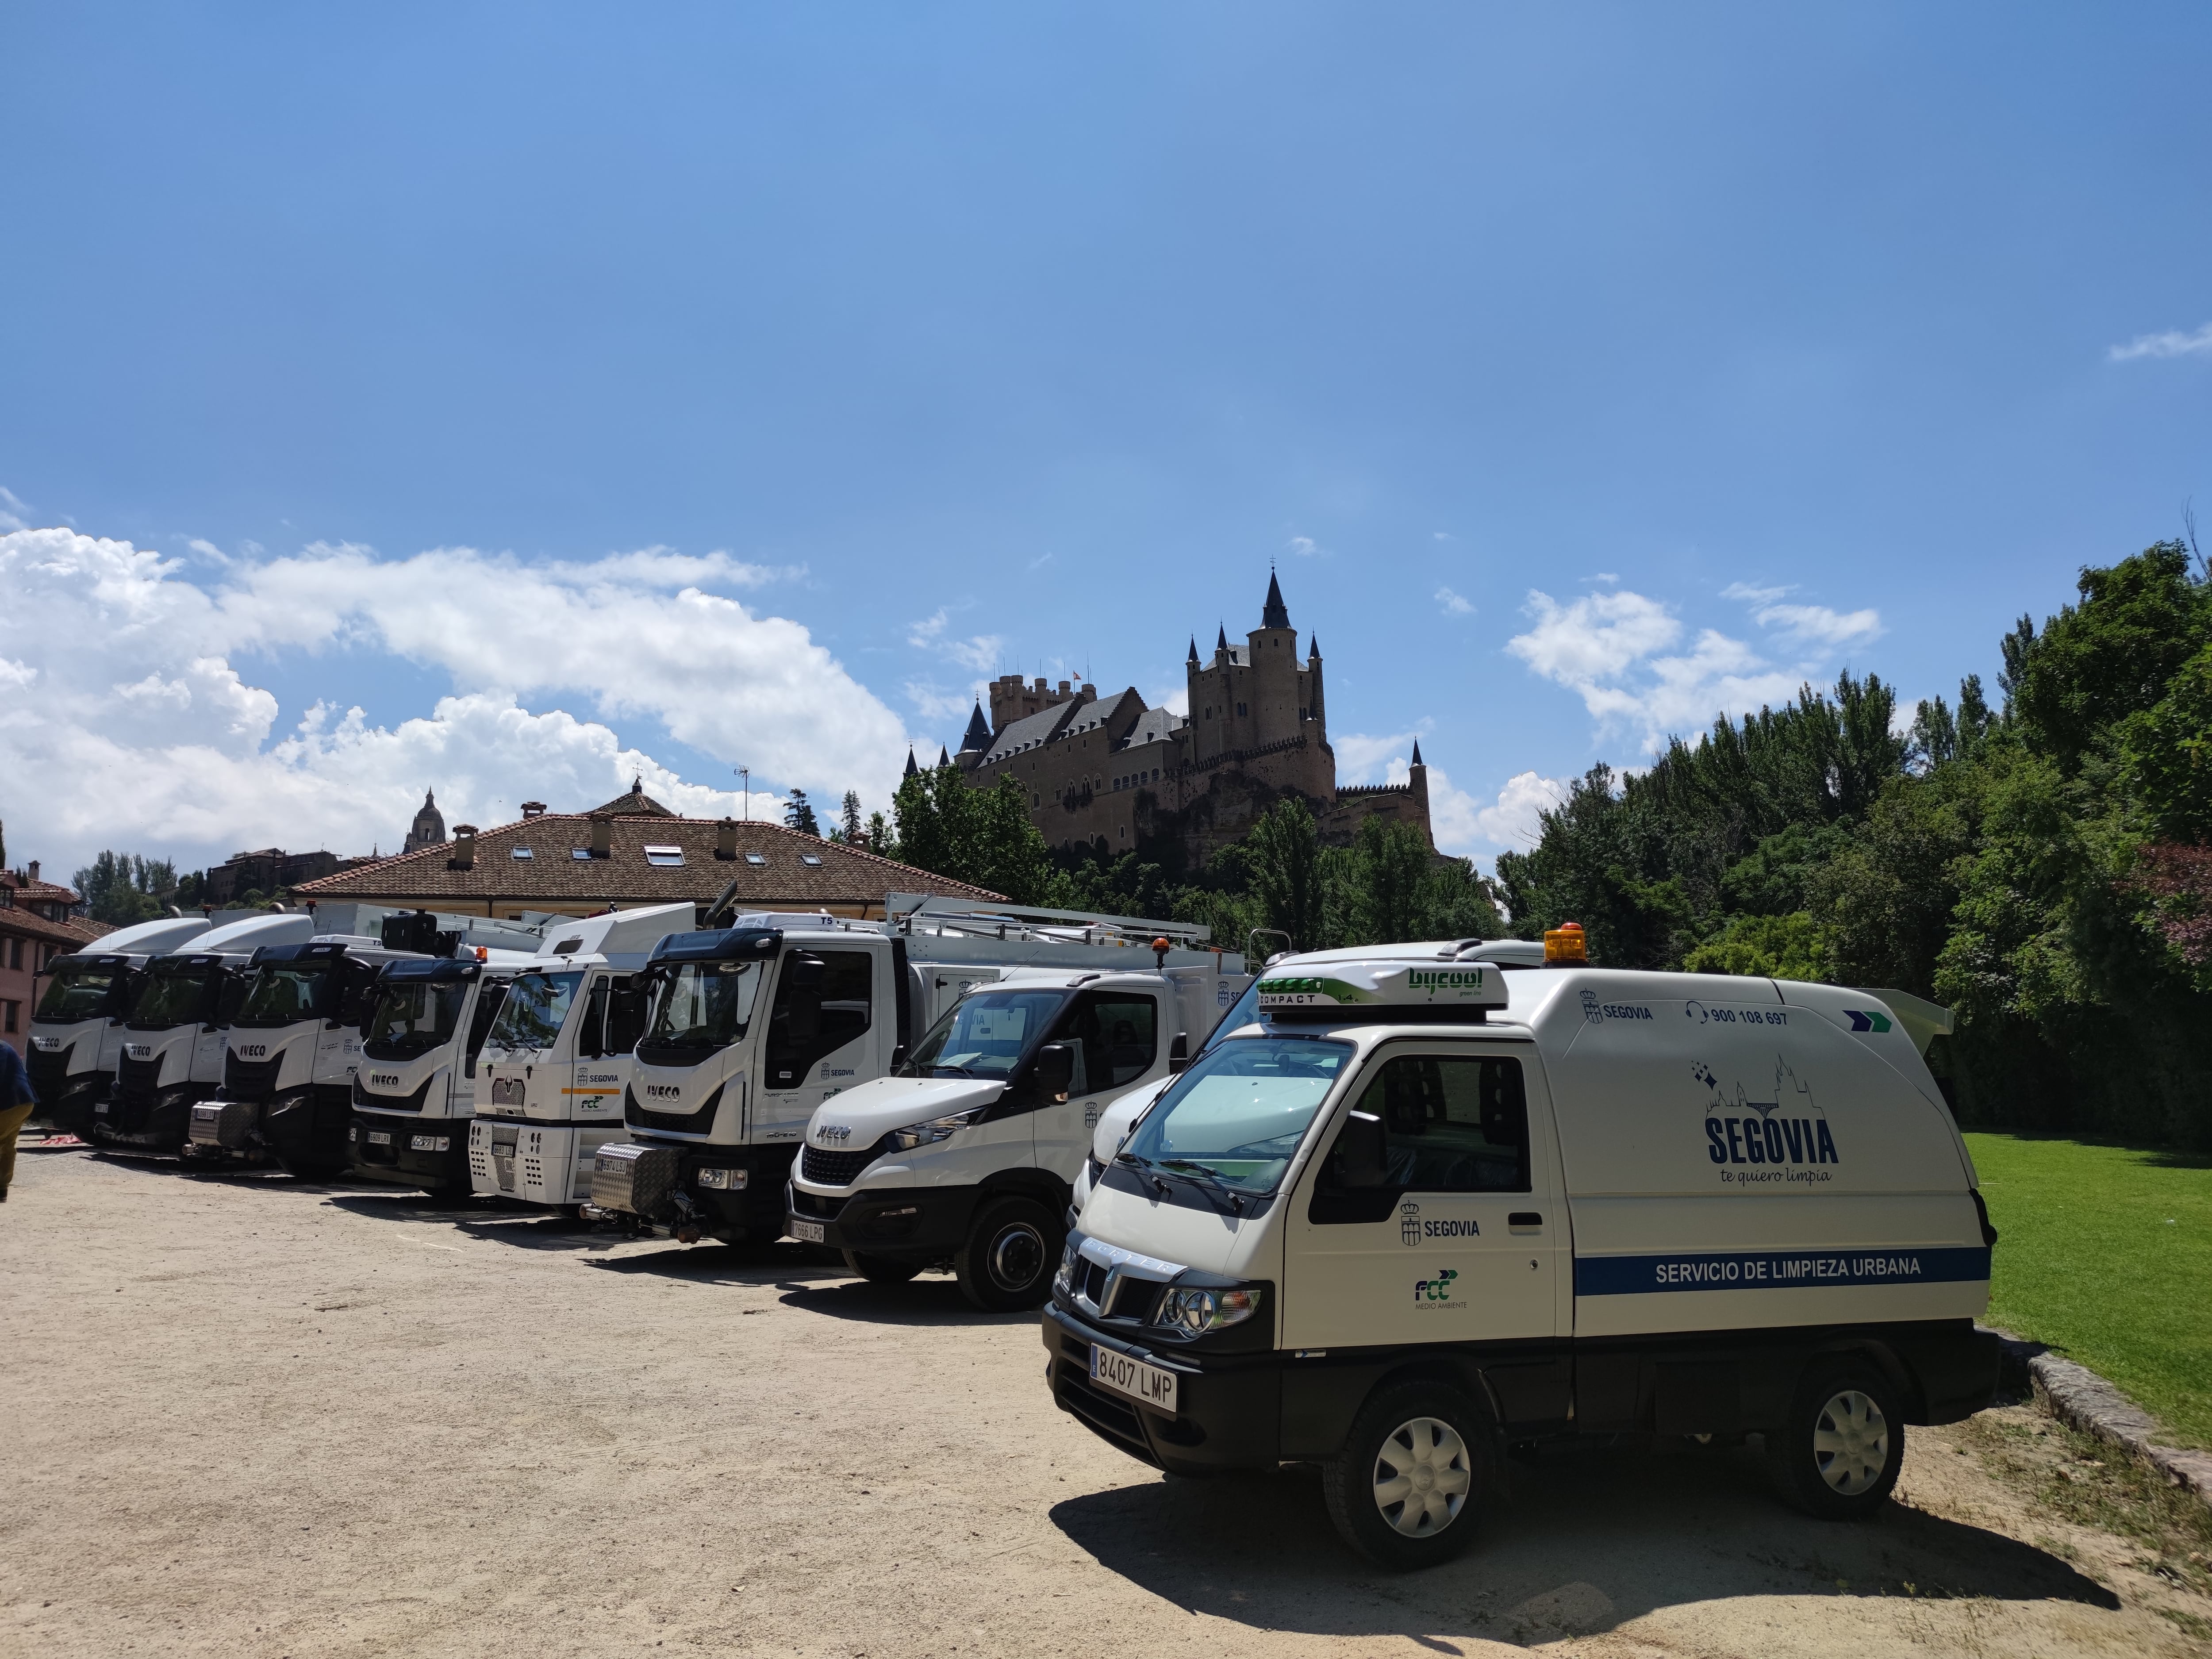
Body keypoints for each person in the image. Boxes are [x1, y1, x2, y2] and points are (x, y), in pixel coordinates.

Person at [0, 1037, 36, 1202]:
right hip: (24, 1102)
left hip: (11, 1102)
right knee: (7, 1144)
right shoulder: (4, 1046)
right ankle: (2, 1190)